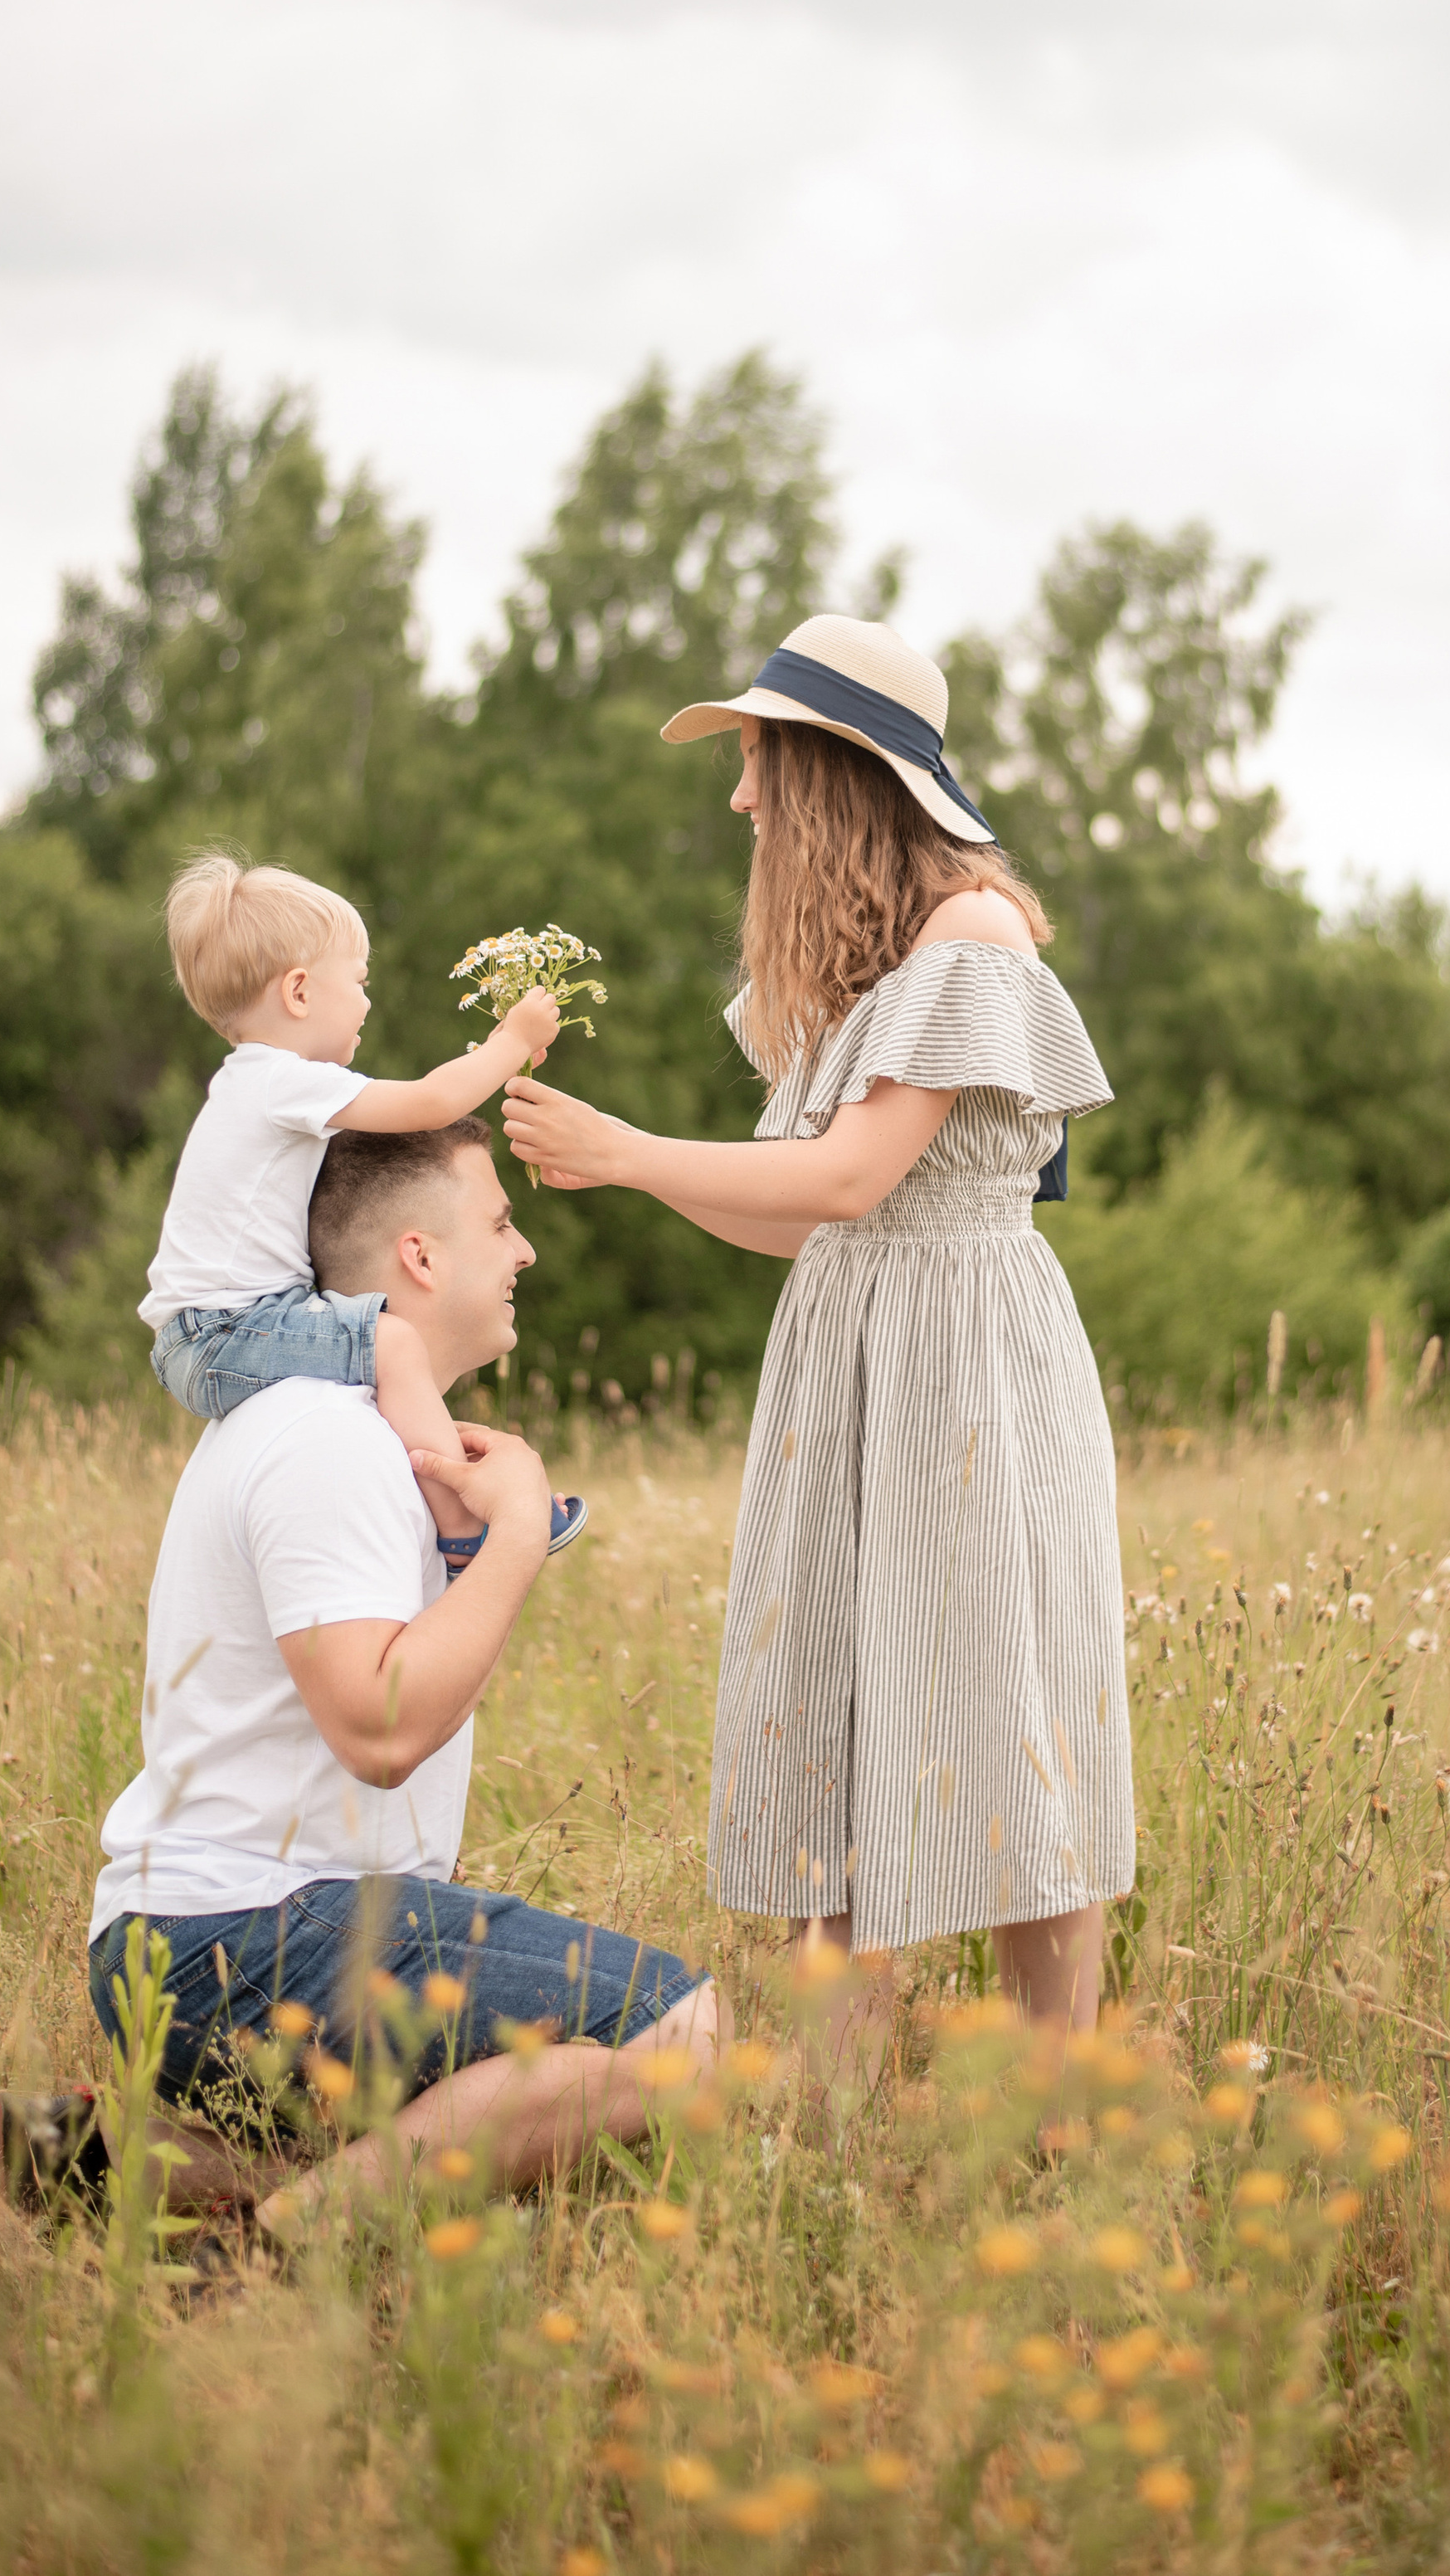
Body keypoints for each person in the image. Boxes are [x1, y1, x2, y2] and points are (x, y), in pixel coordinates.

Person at [504, 614, 1132, 2060]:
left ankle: (1053, 2110)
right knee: (839, 1727)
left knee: (1004, 1713)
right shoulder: (851, 963)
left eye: (760, 760)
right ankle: (835, 2147)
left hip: (968, 1365)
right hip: (850, 1365)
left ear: (837, 769)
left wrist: (630, 1147)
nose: (740, 797)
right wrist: (636, 1167)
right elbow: (807, 1220)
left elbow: (849, 1178)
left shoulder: (970, 933)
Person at [87, 1116, 721, 2215]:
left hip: (242, 1935)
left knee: (530, 2134)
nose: (525, 1251)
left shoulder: (356, 1430)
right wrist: (517, 1534)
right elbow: (378, 1729)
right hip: (237, 1937)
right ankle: (281, 2250)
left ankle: (138, 2165)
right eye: (502, 1221)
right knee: (674, 2031)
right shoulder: (325, 1440)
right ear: (420, 1255)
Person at [141, 851, 562, 1558]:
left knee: (380, 1358)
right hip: (222, 1332)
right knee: (394, 1340)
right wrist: (510, 1041)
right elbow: (431, 1102)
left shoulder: (255, 1086)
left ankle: (446, 1500)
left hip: (205, 1333)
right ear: (300, 992)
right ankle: (465, 1527)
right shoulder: (282, 1079)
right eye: (360, 982)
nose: (368, 1002)